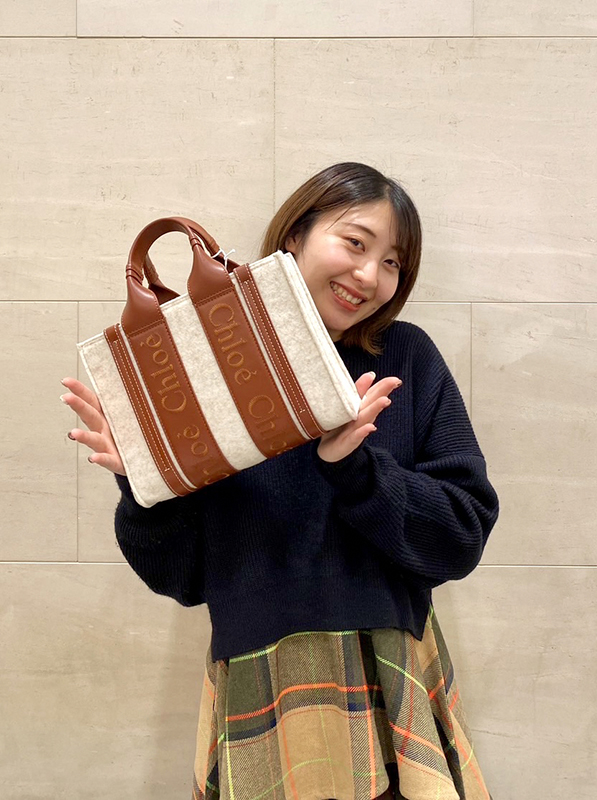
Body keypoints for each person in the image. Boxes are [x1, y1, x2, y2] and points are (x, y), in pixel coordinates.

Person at [61, 162, 499, 800]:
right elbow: (181, 577)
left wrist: (355, 470)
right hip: (257, 684)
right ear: (295, 235)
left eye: (392, 263)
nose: (369, 275)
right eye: (355, 243)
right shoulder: (201, 366)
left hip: (388, 680)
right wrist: (147, 484)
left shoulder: (405, 356)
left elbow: (460, 536)